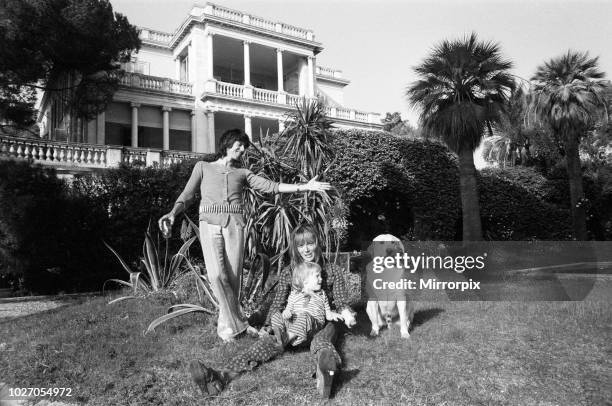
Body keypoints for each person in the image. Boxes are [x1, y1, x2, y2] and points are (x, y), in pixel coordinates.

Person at [158, 129, 331, 342]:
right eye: (238, 145)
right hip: (210, 224)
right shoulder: (202, 167)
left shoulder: (243, 173)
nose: (241, 150)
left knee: (232, 279)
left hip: (235, 226)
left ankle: (227, 330)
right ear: (226, 144)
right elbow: (188, 194)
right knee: (216, 277)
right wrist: (173, 213)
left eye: (244, 147)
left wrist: (305, 187)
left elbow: (270, 187)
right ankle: (241, 324)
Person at [189, 224, 355, 399]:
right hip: (294, 325)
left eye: (310, 243)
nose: (306, 249)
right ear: (295, 248)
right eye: (300, 245)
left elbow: (341, 300)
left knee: (322, 340)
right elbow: (278, 303)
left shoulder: (332, 270)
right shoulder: (288, 272)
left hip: (323, 322)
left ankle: (326, 374)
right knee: (269, 341)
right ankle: (221, 377)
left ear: (317, 243)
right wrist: (269, 325)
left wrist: (346, 313)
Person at [270, 261, 344, 348]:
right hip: (294, 325)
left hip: (312, 328)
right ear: (305, 281)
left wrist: (333, 314)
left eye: (320, 276)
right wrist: (286, 313)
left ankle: (284, 341)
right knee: (275, 314)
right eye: (317, 276)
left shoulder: (322, 294)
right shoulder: (295, 294)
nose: (321, 279)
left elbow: (328, 314)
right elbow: (288, 309)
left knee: (305, 316)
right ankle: (280, 336)